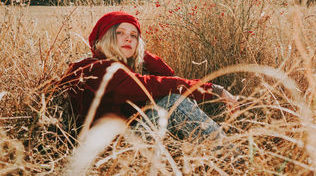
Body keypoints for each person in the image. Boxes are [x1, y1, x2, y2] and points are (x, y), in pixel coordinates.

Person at [60, 11, 238, 141]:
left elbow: (168, 73)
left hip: (121, 140)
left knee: (172, 99)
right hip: (109, 151)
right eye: (119, 33)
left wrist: (138, 52)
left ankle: (210, 150)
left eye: (133, 36)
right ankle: (231, 158)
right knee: (171, 102)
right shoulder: (98, 69)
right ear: (104, 38)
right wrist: (215, 90)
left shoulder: (116, 67)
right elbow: (155, 84)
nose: (128, 38)